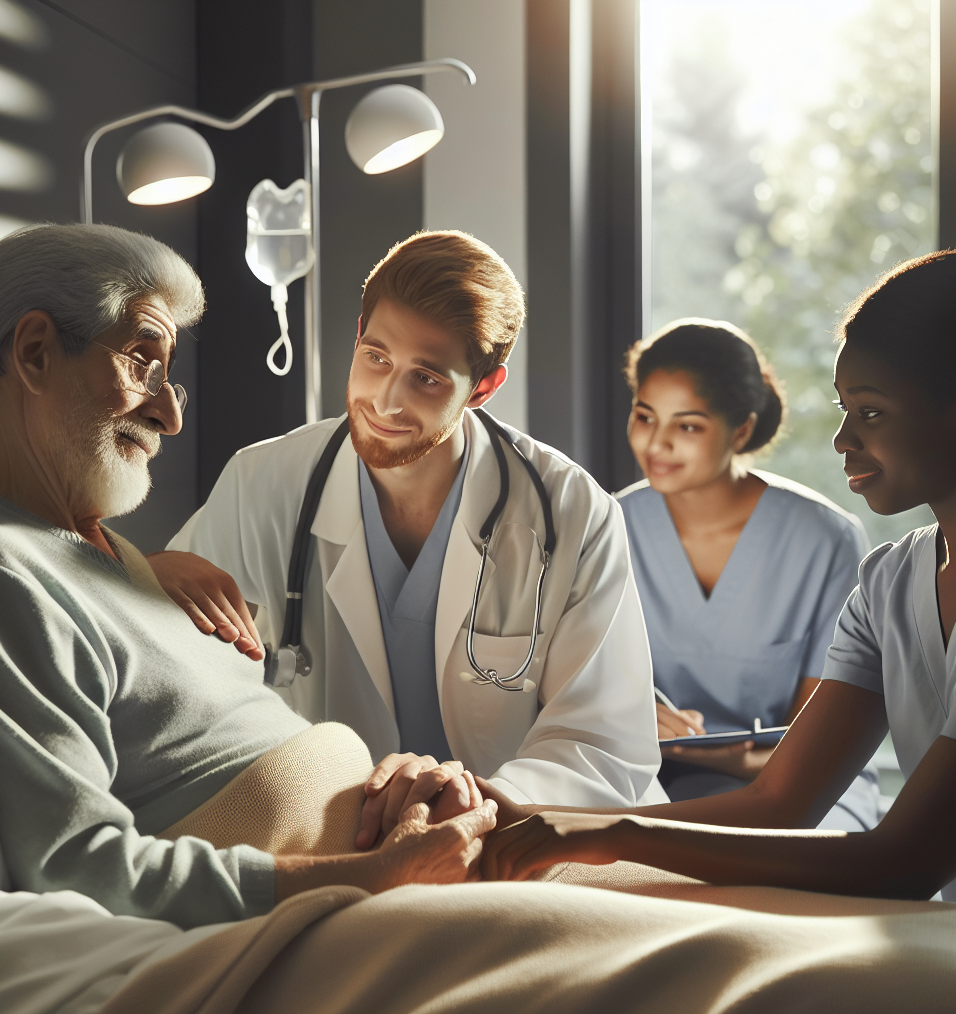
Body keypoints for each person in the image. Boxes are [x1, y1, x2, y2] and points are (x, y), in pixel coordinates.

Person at [0, 223, 498, 930]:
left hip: (391, 852)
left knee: (647, 867)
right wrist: (372, 878)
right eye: (144, 361)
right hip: (346, 905)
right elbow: (73, 860)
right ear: (36, 353)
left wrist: (405, 795)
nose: (170, 416)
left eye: (172, 380)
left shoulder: (101, 551)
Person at [153, 230, 664, 847]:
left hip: (511, 834)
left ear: (482, 387)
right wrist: (143, 575)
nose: (385, 400)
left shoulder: (571, 512)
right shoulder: (263, 483)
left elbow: (603, 742)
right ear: (360, 331)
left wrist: (474, 801)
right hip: (334, 836)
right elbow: (181, 681)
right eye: (376, 357)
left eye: (426, 378)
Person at [479, 250, 956, 903]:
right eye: (844, 409)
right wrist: (533, 818)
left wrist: (611, 836)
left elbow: (907, 863)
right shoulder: (889, 584)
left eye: (869, 413)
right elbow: (779, 803)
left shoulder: (825, 540)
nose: (843, 438)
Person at [616, 319, 878, 829]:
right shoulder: (606, 526)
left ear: (740, 430)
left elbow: (823, 747)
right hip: (650, 780)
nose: (657, 443)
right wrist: (627, 713)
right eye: (645, 416)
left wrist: (710, 755)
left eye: (687, 425)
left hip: (807, 786)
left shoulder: (826, 539)